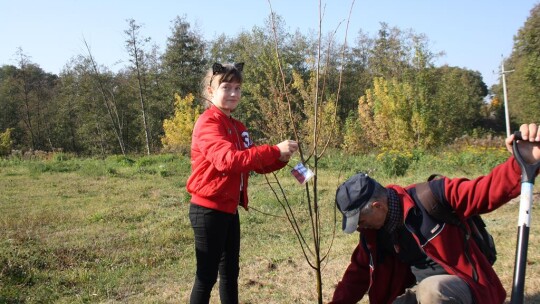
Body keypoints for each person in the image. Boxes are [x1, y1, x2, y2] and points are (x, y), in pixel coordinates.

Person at [331, 123, 540, 304]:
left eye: (361, 220)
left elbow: (486, 190)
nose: (360, 227)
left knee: (432, 290)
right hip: (420, 291)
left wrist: (521, 162)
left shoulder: (432, 196)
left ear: (378, 206)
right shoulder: (374, 234)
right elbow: (356, 277)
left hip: (465, 286)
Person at [186, 62, 298, 304]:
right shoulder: (208, 123)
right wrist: (272, 150)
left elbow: (253, 164)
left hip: (229, 210)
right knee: (206, 277)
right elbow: (227, 160)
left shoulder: (237, 127)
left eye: (238, 88)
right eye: (226, 87)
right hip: (208, 210)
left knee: (230, 274)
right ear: (210, 90)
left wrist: (280, 157)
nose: (234, 93)